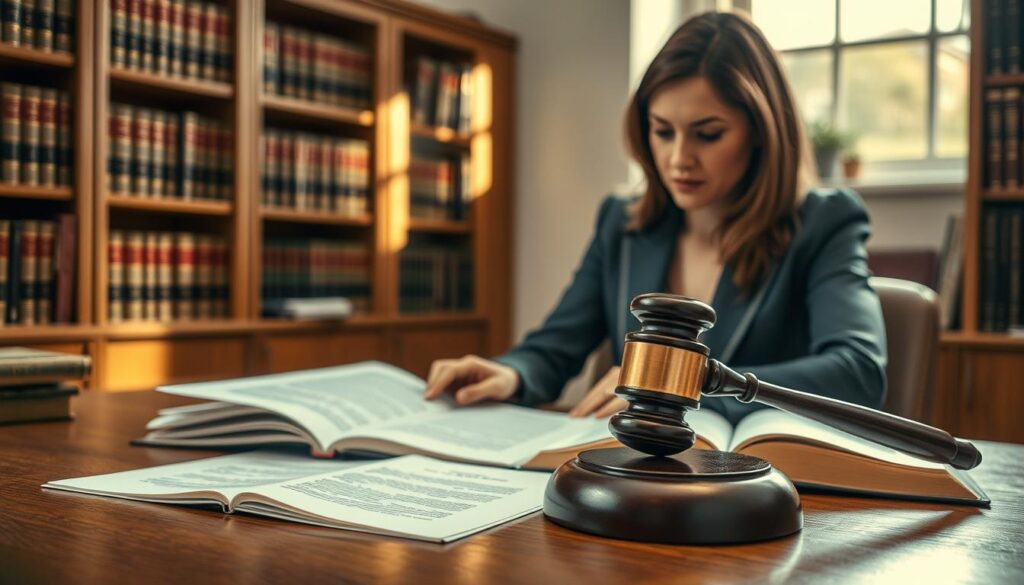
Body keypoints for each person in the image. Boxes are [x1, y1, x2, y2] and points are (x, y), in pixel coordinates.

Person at [423, 11, 887, 424]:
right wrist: (511, 372)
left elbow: (858, 373)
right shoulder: (621, 223)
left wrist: (679, 384)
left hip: (763, 492)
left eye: (708, 134)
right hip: (634, 481)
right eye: (662, 131)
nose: (678, 159)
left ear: (761, 135)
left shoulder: (825, 221)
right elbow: (555, 346)